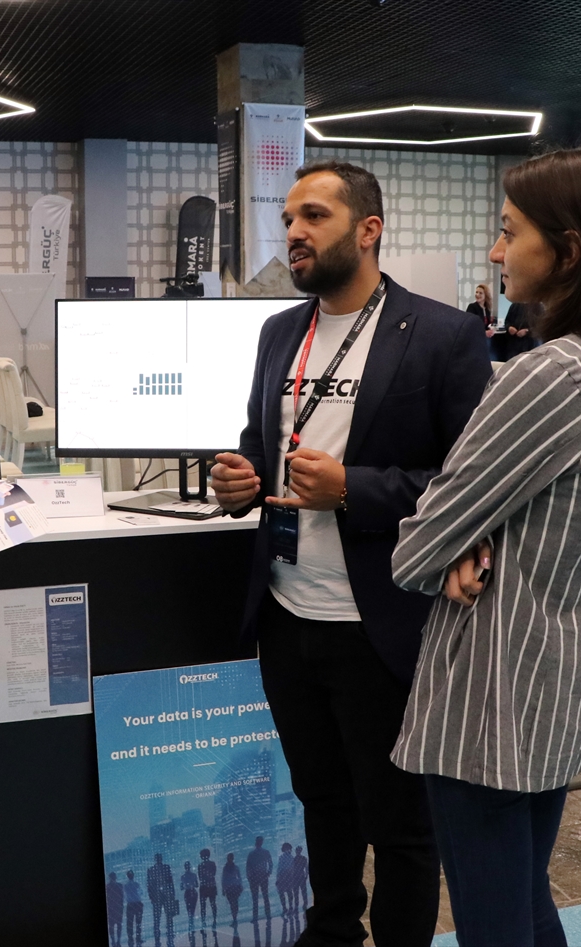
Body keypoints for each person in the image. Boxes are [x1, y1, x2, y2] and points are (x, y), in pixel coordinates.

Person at [390, 146, 581, 946]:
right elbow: (552, 512)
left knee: (496, 923)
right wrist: (472, 538)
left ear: (570, 249)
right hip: (564, 686)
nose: (495, 251)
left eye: (510, 231)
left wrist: (456, 543)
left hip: (489, 700)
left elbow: (417, 547)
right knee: (524, 905)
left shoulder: (548, 376)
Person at [210, 160, 491, 947]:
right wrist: (239, 479)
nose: (294, 232)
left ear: (368, 230)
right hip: (287, 615)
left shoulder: (443, 335)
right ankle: (331, 931)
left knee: (400, 825)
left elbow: (471, 482)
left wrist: (353, 489)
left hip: (384, 625)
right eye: (289, 219)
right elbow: (260, 443)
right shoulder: (279, 332)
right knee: (321, 800)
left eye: (314, 216)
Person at [147, 852, 176, 941]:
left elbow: (149, 885)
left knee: (157, 916)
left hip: (156, 896)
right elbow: (170, 881)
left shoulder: (151, 870)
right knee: (168, 915)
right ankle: (169, 931)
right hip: (166, 895)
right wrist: (172, 894)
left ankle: (157, 932)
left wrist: (151, 896)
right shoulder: (166, 868)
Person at [245, 836, 272, 922]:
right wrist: (268, 873)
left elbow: (248, 867)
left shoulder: (251, 854)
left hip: (254, 878)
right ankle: (268, 915)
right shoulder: (266, 852)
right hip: (263, 876)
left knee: (255, 898)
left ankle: (255, 917)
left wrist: (249, 877)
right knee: (265, 896)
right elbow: (270, 863)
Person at [197, 848, 218, 928]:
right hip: (211, 885)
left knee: (203, 905)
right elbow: (214, 873)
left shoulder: (200, 866)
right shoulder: (212, 864)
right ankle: (214, 919)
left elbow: (200, 877)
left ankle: (203, 921)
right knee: (213, 903)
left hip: (204, 887)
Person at [124, 870, 145, 947]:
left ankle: (130, 939)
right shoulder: (137, 884)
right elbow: (142, 893)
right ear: (133, 876)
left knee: (129, 923)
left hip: (130, 905)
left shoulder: (125, 885)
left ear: (127, 876)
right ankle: (138, 938)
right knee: (138, 922)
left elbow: (124, 895)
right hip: (138, 904)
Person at [222, 853, 243, 925]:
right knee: (234, 903)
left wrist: (223, 888)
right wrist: (240, 885)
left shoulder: (226, 868)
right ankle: (235, 918)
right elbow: (239, 878)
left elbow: (223, 879)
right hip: (234, 887)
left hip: (230, 887)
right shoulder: (235, 867)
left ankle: (234, 918)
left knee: (232, 903)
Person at [276, 842, 294, 917]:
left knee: (282, 892)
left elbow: (279, 869)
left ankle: (285, 908)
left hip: (283, 876)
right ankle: (289, 907)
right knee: (288, 892)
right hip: (288, 876)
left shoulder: (282, 857)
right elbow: (292, 868)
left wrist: (278, 878)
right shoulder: (291, 857)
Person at [107, 872, 125, 947]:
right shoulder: (120, 885)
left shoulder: (107, 887)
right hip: (118, 908)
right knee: (119, 925)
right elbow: (122, 897)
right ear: (115, 877)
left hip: (111, 909)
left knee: (111, 926)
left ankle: (113, 941)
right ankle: (118, 941)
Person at [181, 860, 199, 927]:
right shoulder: (194, 875)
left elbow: (181, 887)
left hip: (187, 892)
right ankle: (192, 920)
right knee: (193, 907)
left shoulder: (183, 877)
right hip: (193, 892)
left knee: (188, 907)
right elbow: (197, 885)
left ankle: (190, 920)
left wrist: (186, 885)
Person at [291, 846, 309, 913]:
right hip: (301, 876)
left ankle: (297, 905)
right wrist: (306, 875)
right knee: (303, 891)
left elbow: (292, 869)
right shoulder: (303, 858)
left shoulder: (294, 859)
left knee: (296, 892)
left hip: (296, 877)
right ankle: (305, 904)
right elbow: (306, 868)